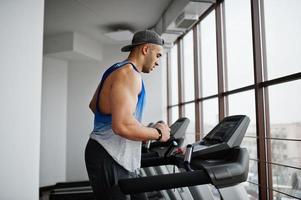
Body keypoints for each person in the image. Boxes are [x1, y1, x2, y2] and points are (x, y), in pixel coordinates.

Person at [85, 30, 171, 200]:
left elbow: (95, 105)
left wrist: (142, 129)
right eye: (158, 55)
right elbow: (121, 125)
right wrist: (158, 134)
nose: (158, 62)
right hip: (108, 154)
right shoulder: (129, 74)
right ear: (146, 49)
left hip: (107, 151)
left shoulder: (116, 70)